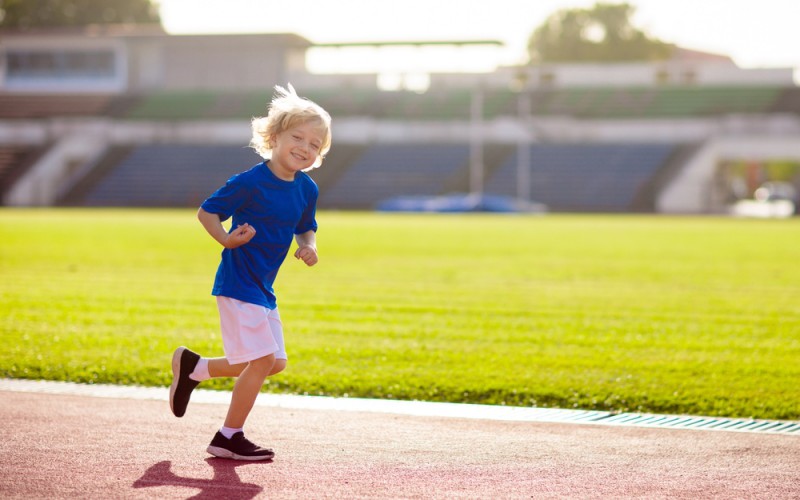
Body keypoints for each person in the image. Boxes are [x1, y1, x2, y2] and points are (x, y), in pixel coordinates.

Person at [168, 84, 332, 461]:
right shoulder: (249, 181)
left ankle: (196, 368)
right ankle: (228, 436)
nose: (305, 148)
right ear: (273, 137)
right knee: (260, 360)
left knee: (274, 362)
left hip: (263, 287)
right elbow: (207, 211)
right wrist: (226, 239)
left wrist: (309, 246)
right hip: (238, 283)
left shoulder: (307, 188)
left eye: (315, 144)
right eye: (298, 137)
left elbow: (306, 226)